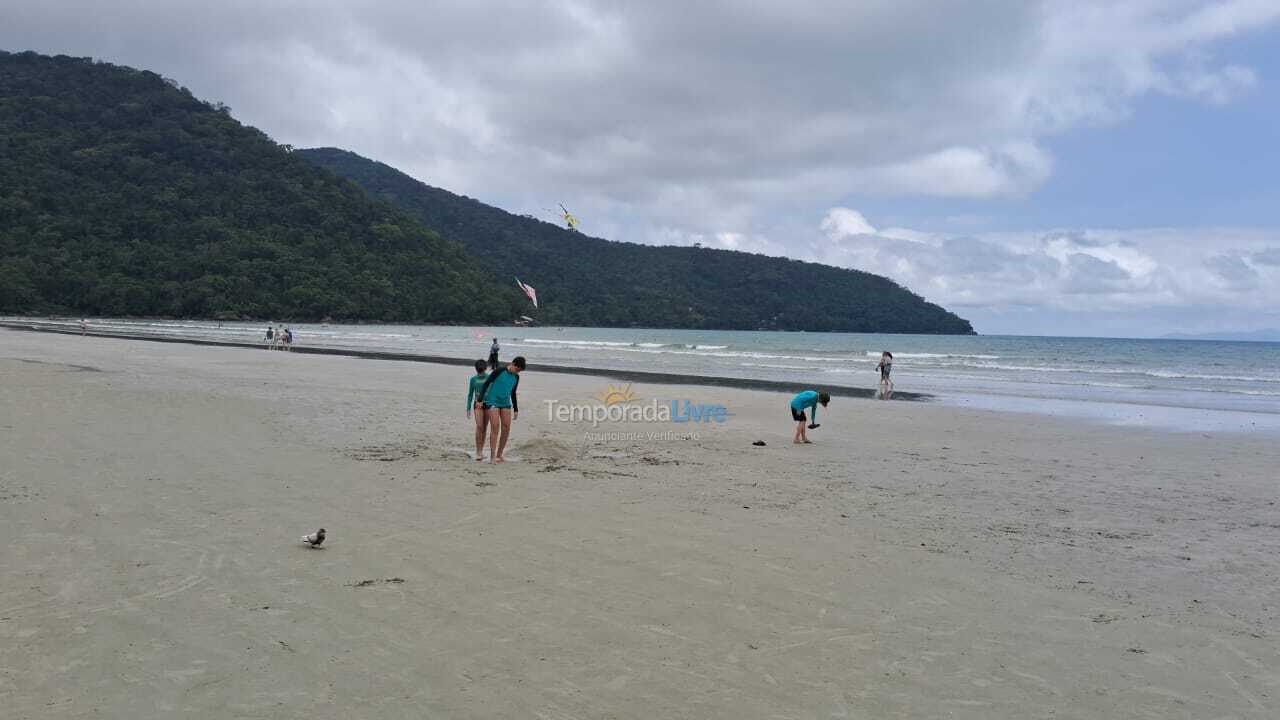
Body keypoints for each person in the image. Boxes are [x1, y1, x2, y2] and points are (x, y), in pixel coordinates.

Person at [478, 356, 526, 463]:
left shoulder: (516, 377)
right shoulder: (499, 371)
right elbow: (486, 383)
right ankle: (492, 456)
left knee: (506, 427)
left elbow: (513, 393)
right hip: (493, 401)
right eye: (517, 369)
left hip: (505, 403)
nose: (517, 372)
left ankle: (499, 454)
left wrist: (516, 408)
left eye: (519, 371)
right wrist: (480, 399)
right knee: (495, 427)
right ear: (513, 364)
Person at [465, 360, 490, 461]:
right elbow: (470, 394)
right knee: (479, 426)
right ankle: (478, 451)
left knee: (484, 428)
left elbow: (492, 390)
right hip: (477, 405)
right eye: (480, 371)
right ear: (477, 370)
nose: (482, 373)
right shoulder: (473, 379)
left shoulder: (489, 377)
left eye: (483, 371)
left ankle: (481, 450)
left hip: (488, 404)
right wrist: (468, 408)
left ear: (485, 369)